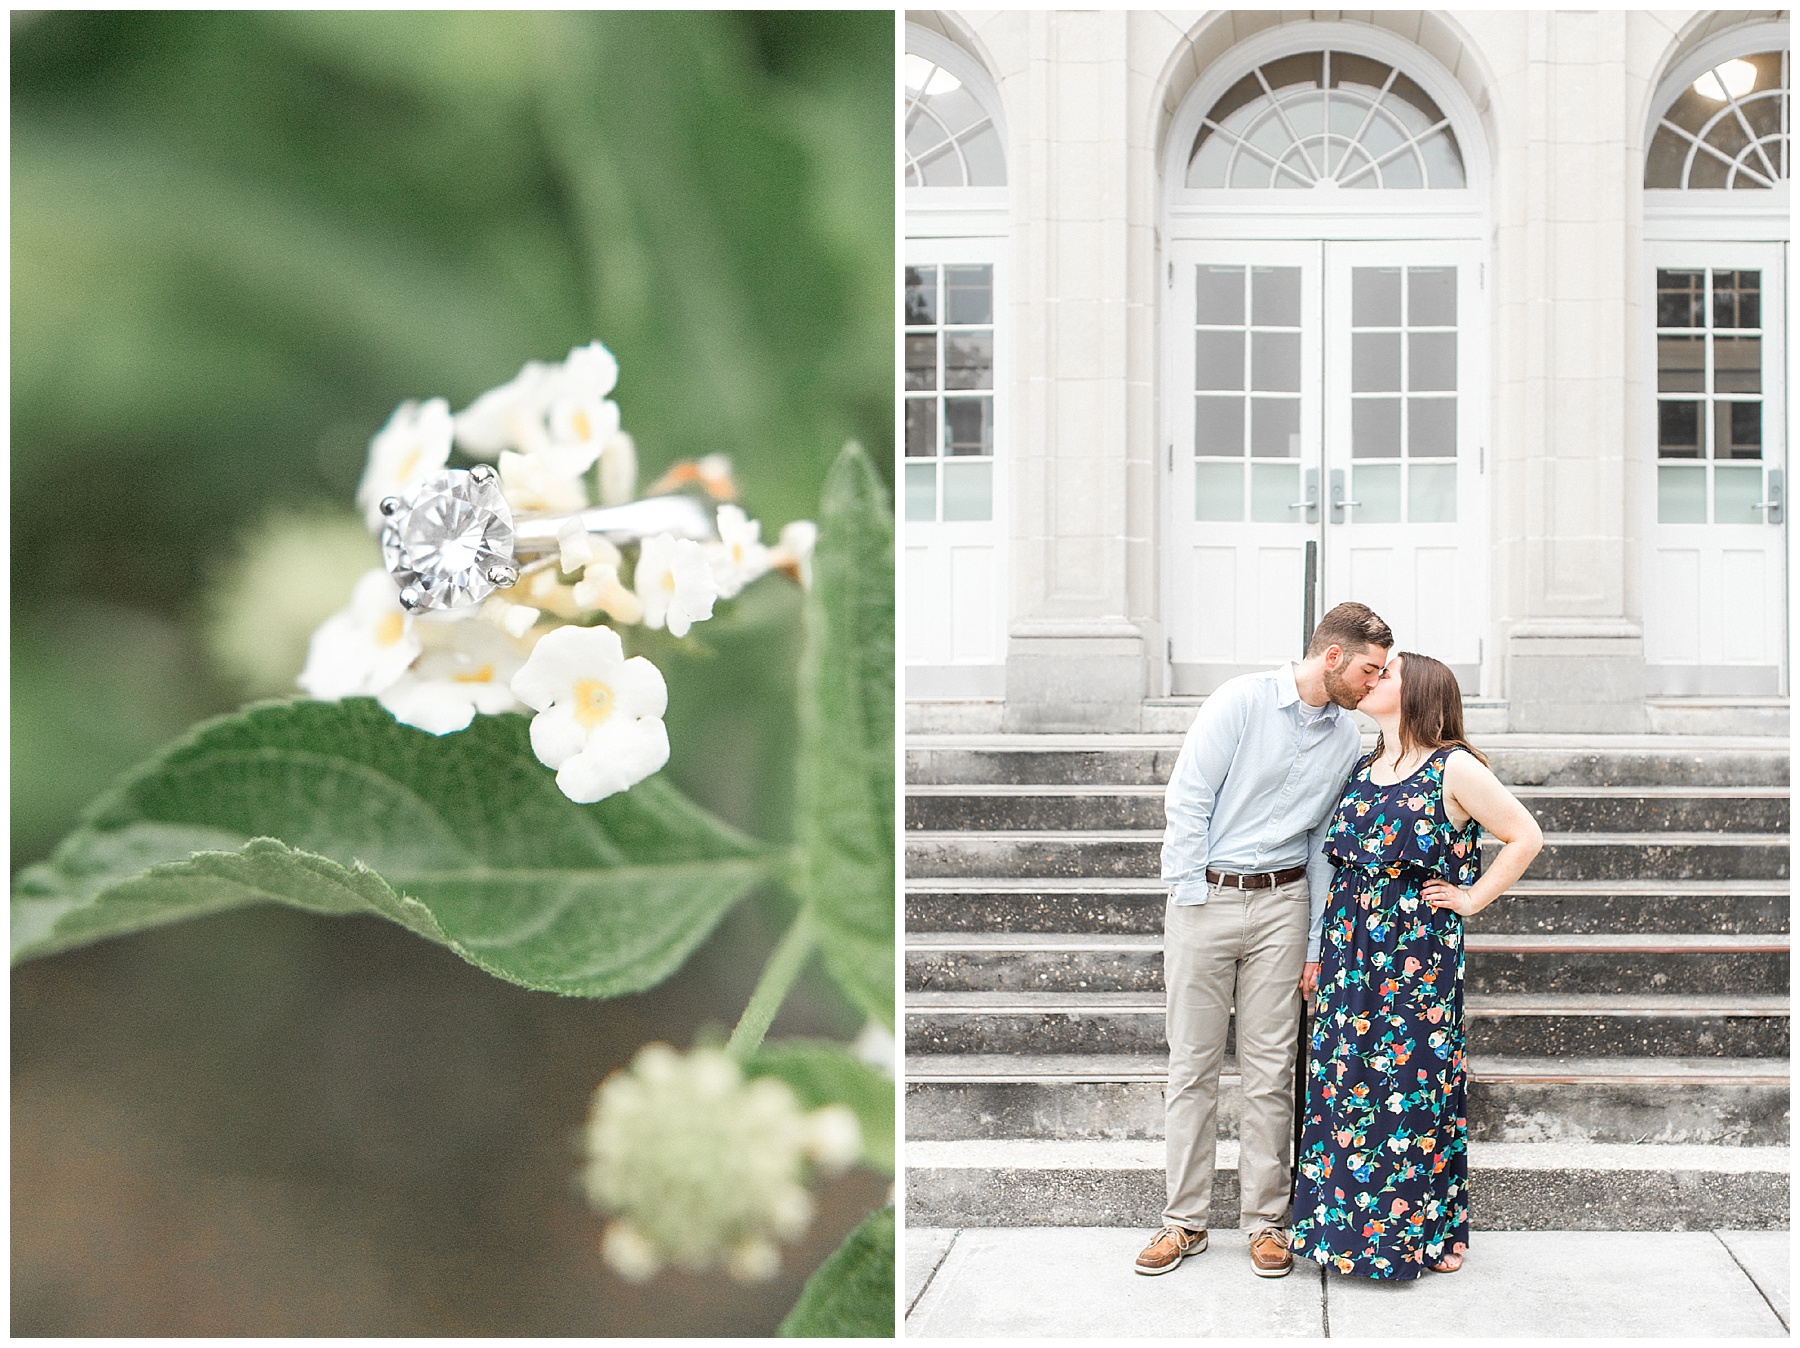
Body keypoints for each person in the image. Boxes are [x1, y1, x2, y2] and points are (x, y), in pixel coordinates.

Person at [1135, 602, 1393, 1279]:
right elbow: (1189, 796)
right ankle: (1183, 1221)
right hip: (1207, 897)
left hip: (1285, 904)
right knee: (1191, 1067)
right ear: (1332, 656)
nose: (1375, 684)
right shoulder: (1240, 702)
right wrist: (1190, 895)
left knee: (1272, 1071)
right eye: (1369, 670)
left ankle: (1266, 1223)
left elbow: (1323, 842)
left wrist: (1312, 941)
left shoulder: (1346, 740)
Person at [1289, 651, 1543, 1278]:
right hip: (1349, 953)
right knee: (1345, 1086)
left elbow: (1526, 836)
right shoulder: (1364, 764)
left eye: (1389, 674)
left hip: (1416, 959)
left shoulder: (1454, 766)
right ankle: (1339, 1236)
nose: (1375, 679)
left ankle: (1418, 1237)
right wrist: (1320, 949)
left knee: (1409, 1092)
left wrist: (1472, 898)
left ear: (1419, 692)